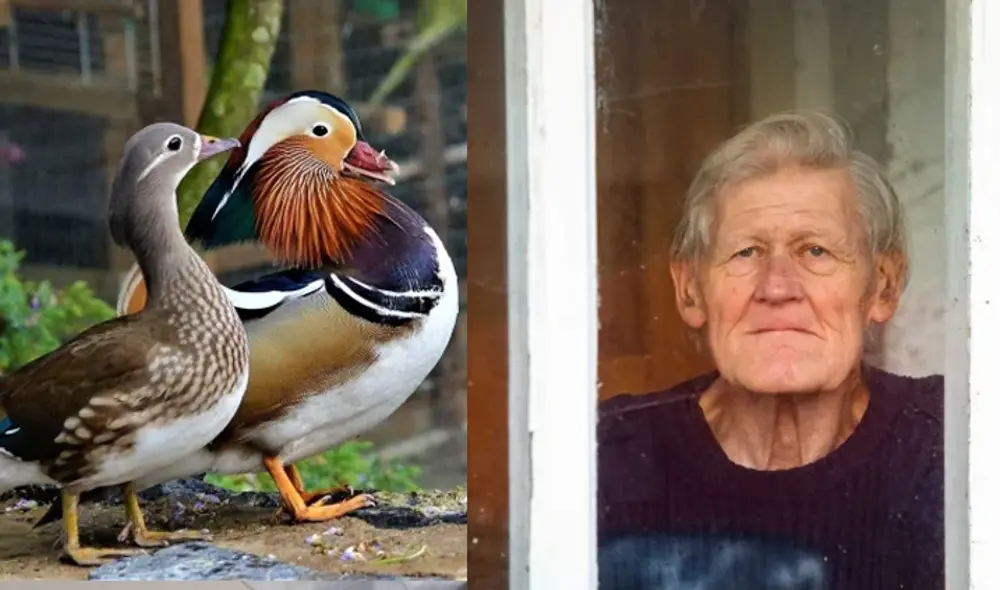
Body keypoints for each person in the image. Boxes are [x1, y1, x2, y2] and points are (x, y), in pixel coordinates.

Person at [597, 111, 942, 590]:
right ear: (690, 289)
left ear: (882, 286)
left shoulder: (953, 444)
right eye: (746, 253)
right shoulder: (608, 457)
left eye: (815, 251)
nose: (777, 288)